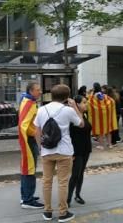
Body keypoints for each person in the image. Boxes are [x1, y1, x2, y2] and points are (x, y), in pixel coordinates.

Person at [34, 84, 83, 222]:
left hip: (46, 151)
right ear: (67, 97)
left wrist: (40, 147)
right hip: (64, 151)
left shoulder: (41, 109)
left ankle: (47, 212)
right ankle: (62, 212)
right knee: (63, 183)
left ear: (52, 95)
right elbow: (81, 124)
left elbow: (36, 131)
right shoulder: (68, 110)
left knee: (46, 182)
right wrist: (75, 107)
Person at [17, 82, 44, 209]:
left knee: (27, 169)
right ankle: (28, 200)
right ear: (31, 91)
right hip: (29, 140)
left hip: (28, 139)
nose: (40, 92)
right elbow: (25, 127)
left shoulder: (27, 100)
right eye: (38, 90)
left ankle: (26, 196)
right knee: (29, 169)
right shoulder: (29, 103)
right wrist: (37, 133)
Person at [67, 89, 91, 206]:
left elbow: (86, 127)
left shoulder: (84, 114)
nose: (86, 104)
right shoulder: (72, 117)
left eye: (86, 102)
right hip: (76, 150)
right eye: (84, 102)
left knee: (81, 173)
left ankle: (77, 195)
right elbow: (80, 126)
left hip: (86, 148)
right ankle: (68, 198)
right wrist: (76, 109)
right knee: (75, 174)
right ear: (76, 104)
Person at [88, 83, 117, 149]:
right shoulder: (105, 95)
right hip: (107, 115)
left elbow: (89, 102)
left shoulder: (93, 96)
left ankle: (101, 145)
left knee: (100, 131)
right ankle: (109, 144)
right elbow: (112, 101)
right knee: (108, 130)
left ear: (94, 88)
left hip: (98, 116)